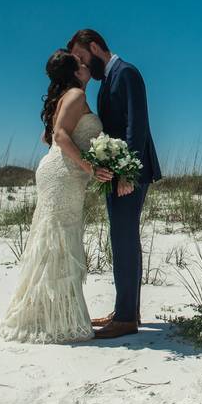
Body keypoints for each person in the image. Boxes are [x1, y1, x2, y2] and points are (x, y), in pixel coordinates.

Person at [0, 49, 102, 343]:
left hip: (59, 171)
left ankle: (50, 313)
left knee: (56, 239)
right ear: (74, 71)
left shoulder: (68, 97)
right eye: (81, 63)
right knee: (58, 240)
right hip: (63, 173)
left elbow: (48, 135)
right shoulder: (75, 97)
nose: (86, 65)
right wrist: (88, 166)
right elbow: (58, 136)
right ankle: (49, 320)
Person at [68, 29, 162, 339]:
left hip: (131, 173)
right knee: (121, 237)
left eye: (82, 57)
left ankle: (125, 319)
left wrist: (128, 174)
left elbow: (138, 125)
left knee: (123, 238)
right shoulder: (105, 82)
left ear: (95, 47)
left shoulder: (127, 73)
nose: (81, 64)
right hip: (116, 174)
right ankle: (127, 310)